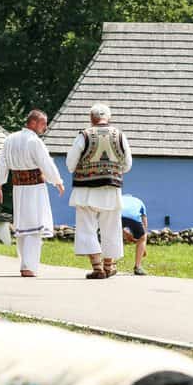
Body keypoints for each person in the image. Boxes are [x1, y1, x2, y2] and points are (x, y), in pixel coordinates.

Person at [0, 109, 65, 276]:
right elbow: (45, 163)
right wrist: (58, 181)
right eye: (43, 124)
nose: (45, 128)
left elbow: (2, 164)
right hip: (34, 188)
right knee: (34, 226)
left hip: (18, 188)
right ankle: (28, 267)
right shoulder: (34, 141)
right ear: (32, 122)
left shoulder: (9, 139)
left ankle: (26, 264)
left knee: (23, 226)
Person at [65, 103, 132, 279]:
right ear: (108, 118)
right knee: (111, 229)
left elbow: (70, 164)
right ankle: (109, 266)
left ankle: (97, 268)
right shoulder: (120, 136)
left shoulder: (84, 135)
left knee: (87, 228)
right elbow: (127, 165)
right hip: (111, 190)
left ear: (91, 118)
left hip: (86, 190)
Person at [121, 193, 148, 275]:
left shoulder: (119, 198)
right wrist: (143, 245)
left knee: (113, 237)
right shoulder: (139, 201)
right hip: (133, 218)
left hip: (117, 216)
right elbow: (145, 223)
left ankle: (109, 265)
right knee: (142, 237)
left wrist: (122, 231)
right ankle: (138, 267)